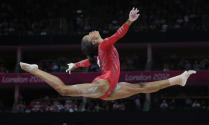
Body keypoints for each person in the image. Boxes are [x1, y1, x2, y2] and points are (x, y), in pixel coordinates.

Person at [20, 8, 196, 101]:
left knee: (143, 88)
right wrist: (130, 20)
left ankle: (178, 80)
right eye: (89, 35)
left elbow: (89, 62)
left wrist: (75, 65)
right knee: (64, 91)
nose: (92, 32)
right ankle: (35, 70)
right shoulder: (104, 44)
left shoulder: (100, 52)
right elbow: (118, 34)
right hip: (104, 86)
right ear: (94, 41)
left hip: (111, 90)